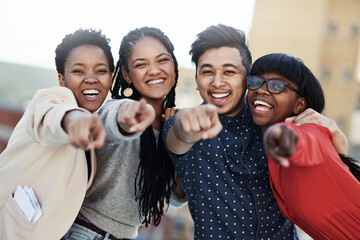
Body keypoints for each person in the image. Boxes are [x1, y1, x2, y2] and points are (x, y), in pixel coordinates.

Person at [163, 24, 349, 239]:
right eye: (207, 72)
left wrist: (336, 136)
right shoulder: (182, 122)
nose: (217, 82)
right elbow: (178, 139)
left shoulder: (273, 119)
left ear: (246, 77)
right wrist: (184, 126)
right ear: (196, 80)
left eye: (229, 71)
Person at [63, 27, 186, 240]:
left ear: (174, 65)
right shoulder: (117, 108)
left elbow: (177, 197)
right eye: (141, 64)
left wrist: (183, 142)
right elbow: (115, 121)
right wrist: (130, 117)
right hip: (84, 232)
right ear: (127, 75)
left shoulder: (174, 128)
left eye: (162, 60)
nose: (154, 70)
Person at [0, 29, 114, 239]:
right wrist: (75, 122)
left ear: (111, 78)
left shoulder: (94, 125)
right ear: (62, 80)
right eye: (79, 71)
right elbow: (54, 117)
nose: (91, 79)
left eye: (100, 71)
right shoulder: (51, 100)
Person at [247, 53, 360, 239]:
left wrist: (285, 139)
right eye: (255, 82)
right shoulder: (271, 158)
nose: (261, 90)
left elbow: (308, 143)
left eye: (277, 86)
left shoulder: (309, 131)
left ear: (299, 106)